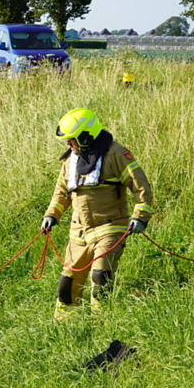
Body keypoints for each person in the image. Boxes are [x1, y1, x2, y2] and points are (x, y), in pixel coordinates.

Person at [41, 108, 154, 319]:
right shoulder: (70, 160)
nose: (68, 145)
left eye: (71, 140)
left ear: (86, 136)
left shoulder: (116, 154)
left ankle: (100, 323)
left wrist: (140, 216)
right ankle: (65, 325)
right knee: (68, 281)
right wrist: (51, 215)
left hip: (110, 225)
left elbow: (140, 186)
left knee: (101, 275)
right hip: (78, 231)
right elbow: (61, 193)